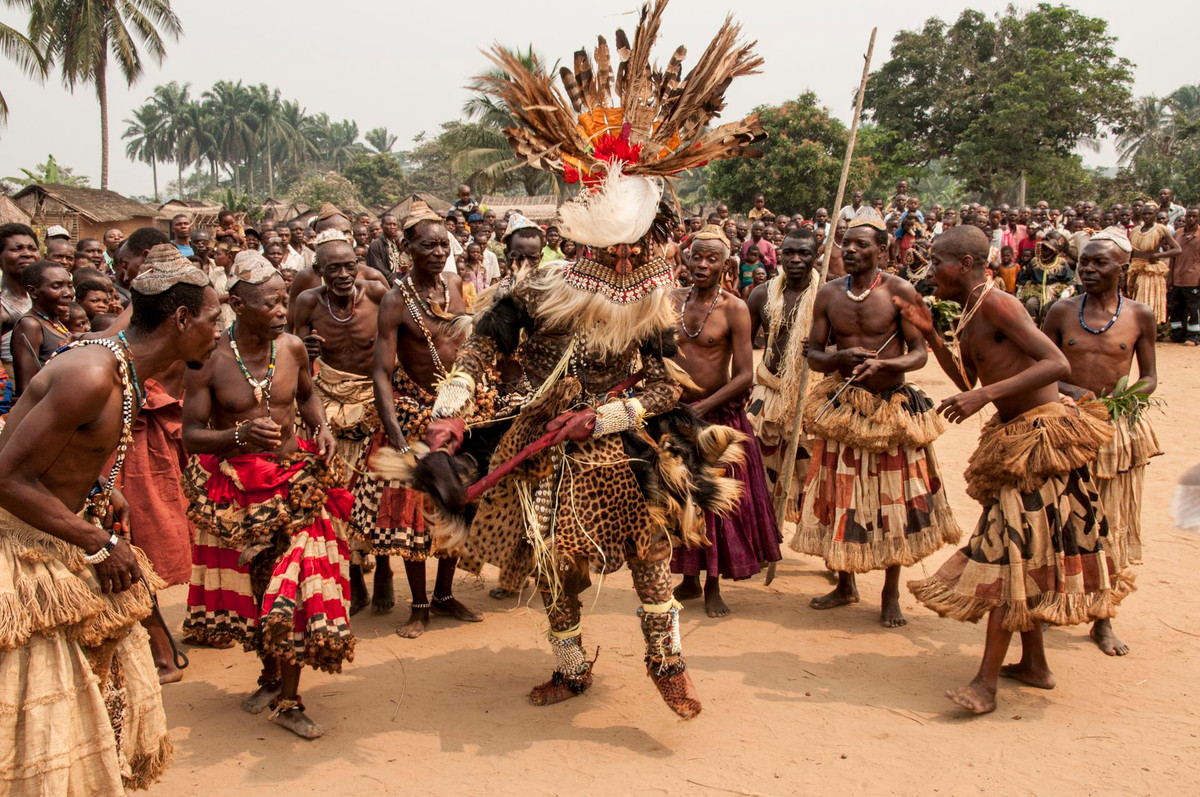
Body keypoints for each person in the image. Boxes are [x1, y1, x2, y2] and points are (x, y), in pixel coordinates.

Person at [393, 12, 764, 718]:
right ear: (589, 246)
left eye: (635, 253)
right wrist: (453, 401)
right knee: (552, 560)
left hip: (624, 445)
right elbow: (483, 345)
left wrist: (606, 414)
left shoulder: (652, 301)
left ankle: (669, 664)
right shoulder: (538, 288)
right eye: (612, 254)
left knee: (654, 558)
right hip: (541, 444)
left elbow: (663, 381)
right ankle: (570, 666)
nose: (625, 265)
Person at [0, 248, 221, 793]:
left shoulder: (118, 368)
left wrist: (96, 485)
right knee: (44, 718)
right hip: (25, 546)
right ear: (182, 319)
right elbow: (4, 478)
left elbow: (49, 451)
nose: (222, 332)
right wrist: (97, 541)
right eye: (216, 320)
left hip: (61, 529)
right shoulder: (91, 372)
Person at [900, 225, 1130, 715]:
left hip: (1041, 442)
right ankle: (1034, 664)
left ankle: (986, 684)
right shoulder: (970, 309)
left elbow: (1057, 365)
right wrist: (932, 336)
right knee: (1025, 550)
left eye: (936, 260)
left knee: (1011, 553)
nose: (929, 269)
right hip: (1017, 440)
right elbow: (970, 376)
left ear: (963, 263)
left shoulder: (998, 303)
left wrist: (984, 396)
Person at [182, 251, 351, 739]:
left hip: (297, 482)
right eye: (270, 303)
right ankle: (270, 675)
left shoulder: (294, 348)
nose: (282, 310)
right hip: (241, 493)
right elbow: (191, 435)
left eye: (285, 301)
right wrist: (236, 439)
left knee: (293, 587)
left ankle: (290, 700)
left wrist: (322, 429)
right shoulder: (208, 360)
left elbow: (306, 397)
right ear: (237, 303)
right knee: (260, 586)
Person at [793, 211, 960, 627]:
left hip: (889, 408)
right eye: (845, 244)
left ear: (881, 250)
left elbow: (920, 353)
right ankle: (845, 584)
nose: (849, 250)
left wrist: (886, 364)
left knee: (893, 502)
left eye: (859, 245)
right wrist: (841, 358)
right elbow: (812, 355)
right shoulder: (829, 293)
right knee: (843, 496)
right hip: (843, 407)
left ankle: (890, 594)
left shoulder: (901, 291)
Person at [359, 202, 487, 635]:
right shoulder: (395, 301)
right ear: (407, 248)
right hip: (413, 411)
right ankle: (418, 605)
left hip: (459, 409)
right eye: (427, 244)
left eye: (443, 243)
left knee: (456, 501)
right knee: (414, 515)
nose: (437, 251)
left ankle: (445, 595)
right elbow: (381, 370)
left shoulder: (457, 285)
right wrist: (394, 433)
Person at [1043, 227, 1160, 657]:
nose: (1088, 269)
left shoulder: (1140, 316)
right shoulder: (1060, 310)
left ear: (1122, 267)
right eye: (1083, 262)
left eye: (1099, 263)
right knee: (1060, 517)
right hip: (1065, 426)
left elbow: (1148, 376)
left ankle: (1102, 618)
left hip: (1114, 434)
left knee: (1105, 522)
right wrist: (1074, 396)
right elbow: (1043, 364)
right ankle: (1054, 599)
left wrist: (1122, 399)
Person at [669, 226, 780, 617]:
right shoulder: (671, 300)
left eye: (711, 259)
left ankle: (713, 584)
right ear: (686, 258)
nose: (701, 265)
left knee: (716, 503)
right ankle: (687, 579)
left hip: (717, 418)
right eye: (696, 257)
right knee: (680, 498)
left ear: (726, 264)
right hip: (674, 415)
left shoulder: (734, 308)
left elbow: (744, 375)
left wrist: (703, 408)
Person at [293, 231, 389, 615]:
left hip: (374, 399)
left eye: (350, 265)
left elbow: (398, 338)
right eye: (334, 269)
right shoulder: (307, 302)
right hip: (329, 399)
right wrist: (306, 347)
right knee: (339, 492)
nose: (345, 275)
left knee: (381, 491)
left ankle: (383, 566)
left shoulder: (379, 294)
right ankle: (355, 574)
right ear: (319, 271)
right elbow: (289, 346)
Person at [746, 227, 821, 523]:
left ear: (816, 256)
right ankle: (766, 536)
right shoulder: (761, 294)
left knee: (810, 473)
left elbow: (843, 342)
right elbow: (743, 347)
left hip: (810, 391)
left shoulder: (827, 295)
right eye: (789, 252)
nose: (796, 259)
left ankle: (819, 541)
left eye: (804, 253)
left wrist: (821, 347)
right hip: (767, 390)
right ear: (779, 254)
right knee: (760, 470)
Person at [11, 260, 73, 397]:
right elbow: (27, 389)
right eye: (57, 286)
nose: (68, 293)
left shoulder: (56, 323)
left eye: (70, 286)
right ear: (33, 292)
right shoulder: (30, 325)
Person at [1128, 202, 1181, 325]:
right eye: (1144, 213)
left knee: (1147, 300)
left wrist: (1158, 255)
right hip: (1135, 269)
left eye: (1150, 214)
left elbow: (1177, 249)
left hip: (1150, 271)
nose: (1147, 216)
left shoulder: (1161, 229)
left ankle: (1148, 328)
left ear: (1156, 214)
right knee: (1134, 299)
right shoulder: (1135, 230)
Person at [1168, 206, 1200, 344]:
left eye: (1194, 216)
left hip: (1193, 279)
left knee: (1194, 308)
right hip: (1177, 278)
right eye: (1189, 216)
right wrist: (1170, 277)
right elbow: (1173, 257)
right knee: (1175, 307)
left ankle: (1194, 336)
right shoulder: (1178, 233)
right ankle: (1178, 334)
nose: (1191, 219)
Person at [366, 213, 405, 283]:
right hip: (384, 282)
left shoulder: (394, 243)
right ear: (382, 226)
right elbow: (378, 267)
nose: (392, 227)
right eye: (388, 224)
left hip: (397, 278)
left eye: (394, 224)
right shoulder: (376, 245)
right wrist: (393, 279)